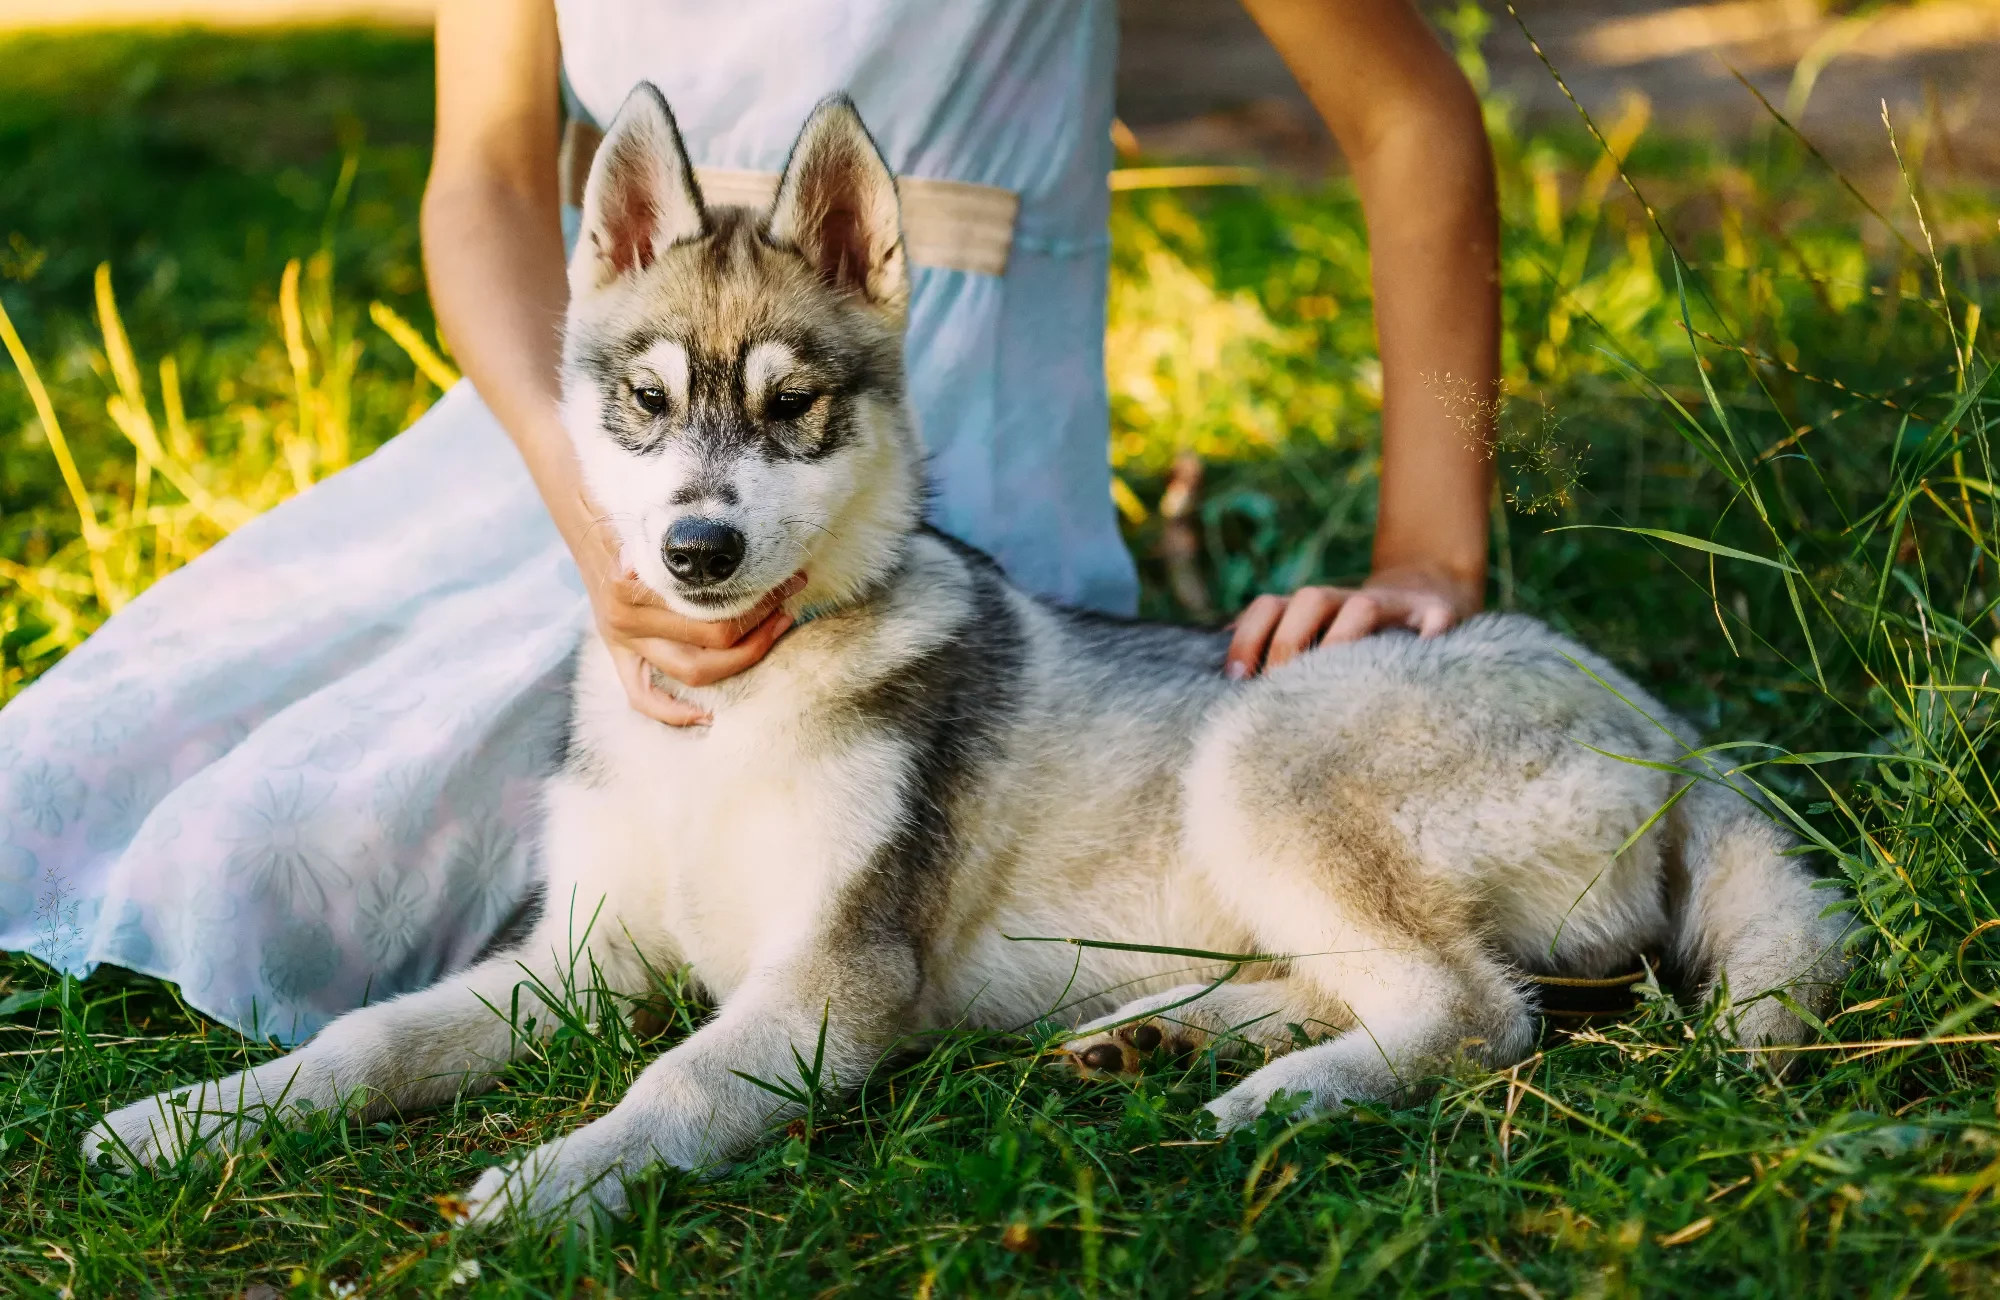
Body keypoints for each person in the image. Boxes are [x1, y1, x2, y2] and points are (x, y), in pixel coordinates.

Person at [0, 0, 1497, 1042]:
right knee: (231, 845)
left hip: (892, 458)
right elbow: (485, 180)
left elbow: (1410, 117)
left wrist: (1431, 545)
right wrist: (593, 519)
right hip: (600, 426)